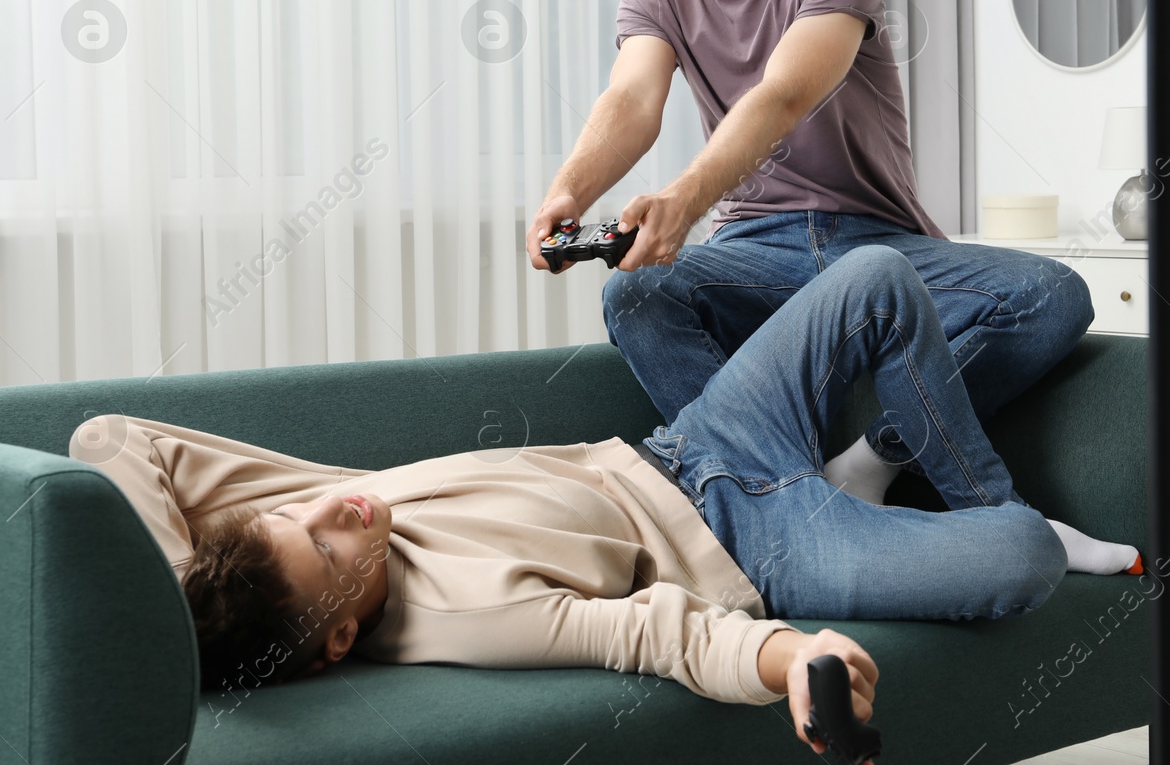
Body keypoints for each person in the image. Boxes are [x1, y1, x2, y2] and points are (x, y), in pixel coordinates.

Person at [72, 247, 1098, 755]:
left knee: (873, 272)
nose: (335, 504)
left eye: (295, 512)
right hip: (763, 545)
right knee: (1018, 557)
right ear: (339, 635)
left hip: (695, 439)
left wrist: (170, 593)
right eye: (328, 543)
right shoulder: (469, 615)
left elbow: (113, 437)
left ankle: (881, 460)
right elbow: (655, 636)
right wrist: (794, 654)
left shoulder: (280, 528)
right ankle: (938, 502)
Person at [525, 0, 1135, 576]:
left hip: (876, 243)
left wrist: (682, 196)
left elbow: (782, 94)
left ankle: (869, 461)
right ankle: (787, 495)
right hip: (754, 247)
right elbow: (631, 100)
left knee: (1052, 295)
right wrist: (569, 191)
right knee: (634, 292)